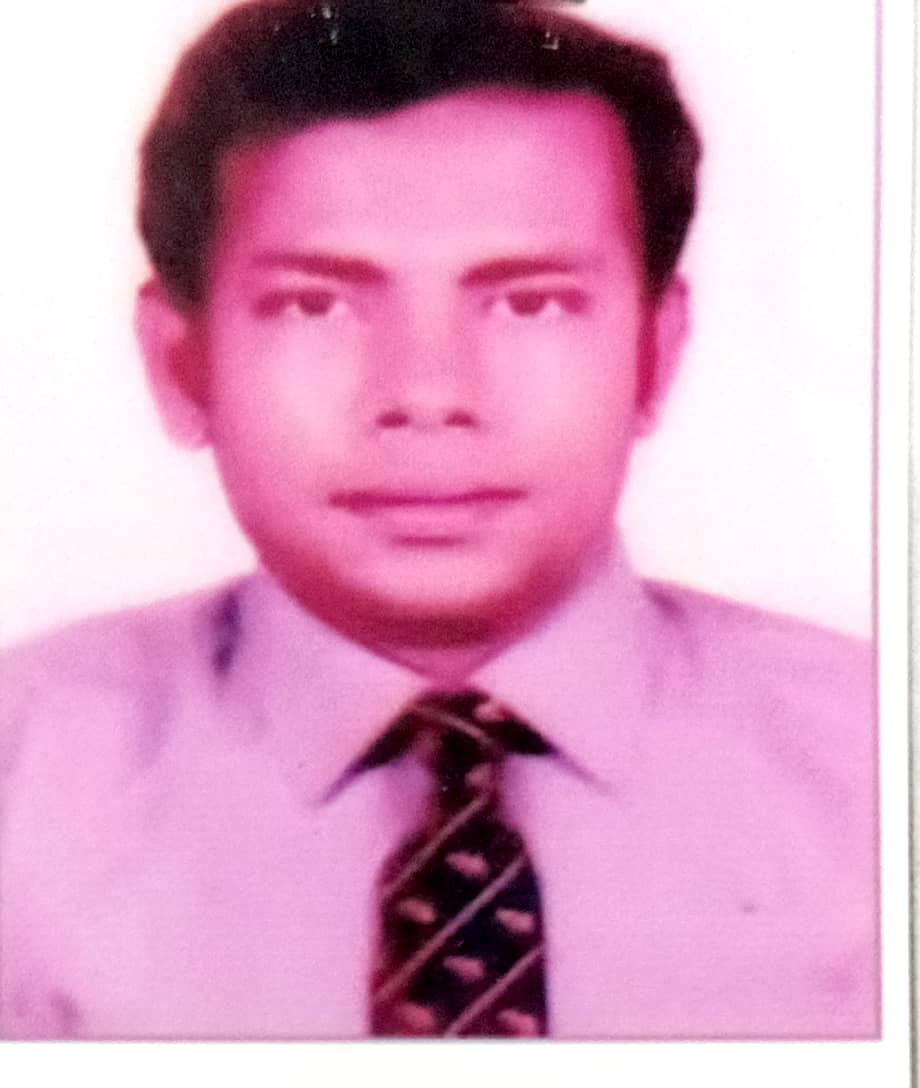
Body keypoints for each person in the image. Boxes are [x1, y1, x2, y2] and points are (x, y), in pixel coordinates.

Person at [0, 0, 876, 1040]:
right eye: (315, 304)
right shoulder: (22, 782)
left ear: (654, 352)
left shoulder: (873, 768)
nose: (426, 394)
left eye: (530, 302)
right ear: (180, 363)